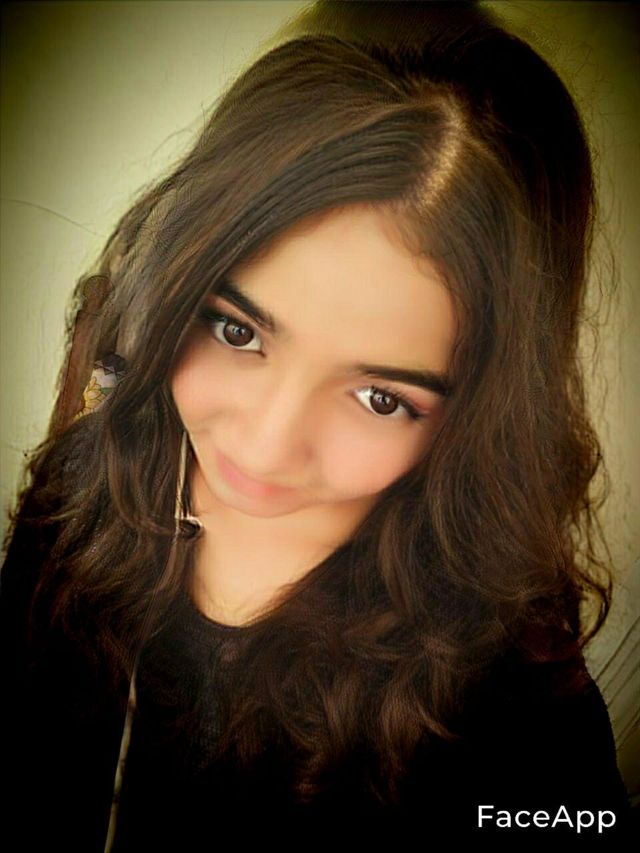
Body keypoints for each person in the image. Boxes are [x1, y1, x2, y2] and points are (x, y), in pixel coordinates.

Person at [0, 1, 634, 848]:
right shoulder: (87, 479)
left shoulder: (507, 695)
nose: (264, 446)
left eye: (381, 397)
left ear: (476, 417)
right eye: (237, 331)